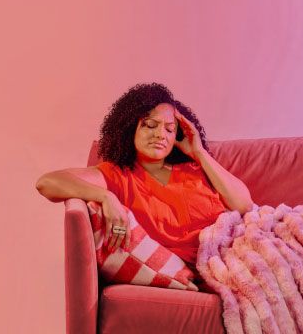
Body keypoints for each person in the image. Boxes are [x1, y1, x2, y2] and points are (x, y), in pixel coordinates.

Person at [35, 82, 253, 275]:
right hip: (214, 266)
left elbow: (245, 206)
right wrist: (105, 196)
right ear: (130, 128)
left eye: (169, 129)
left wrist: (199, 152)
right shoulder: (117, 175)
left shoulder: (194, 167)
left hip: (244, 246)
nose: (160, 134)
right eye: (150, 125)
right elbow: (47, 183)